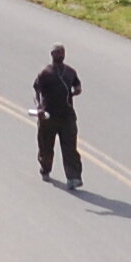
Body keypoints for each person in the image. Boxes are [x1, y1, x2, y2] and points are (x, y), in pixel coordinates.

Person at [33, 45, 82, 189]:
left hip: (67, 115)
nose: (60, 54)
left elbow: (77, 85)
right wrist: (39, 107)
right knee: (46, 146)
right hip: (48, 115)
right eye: (57, 52)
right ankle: (45, 169)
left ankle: (73, 177)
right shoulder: (45, 73)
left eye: (61, 52)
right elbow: (37, 91)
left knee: (70, 146)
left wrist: (76, 91)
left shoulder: (70, 72)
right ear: (52, 54)